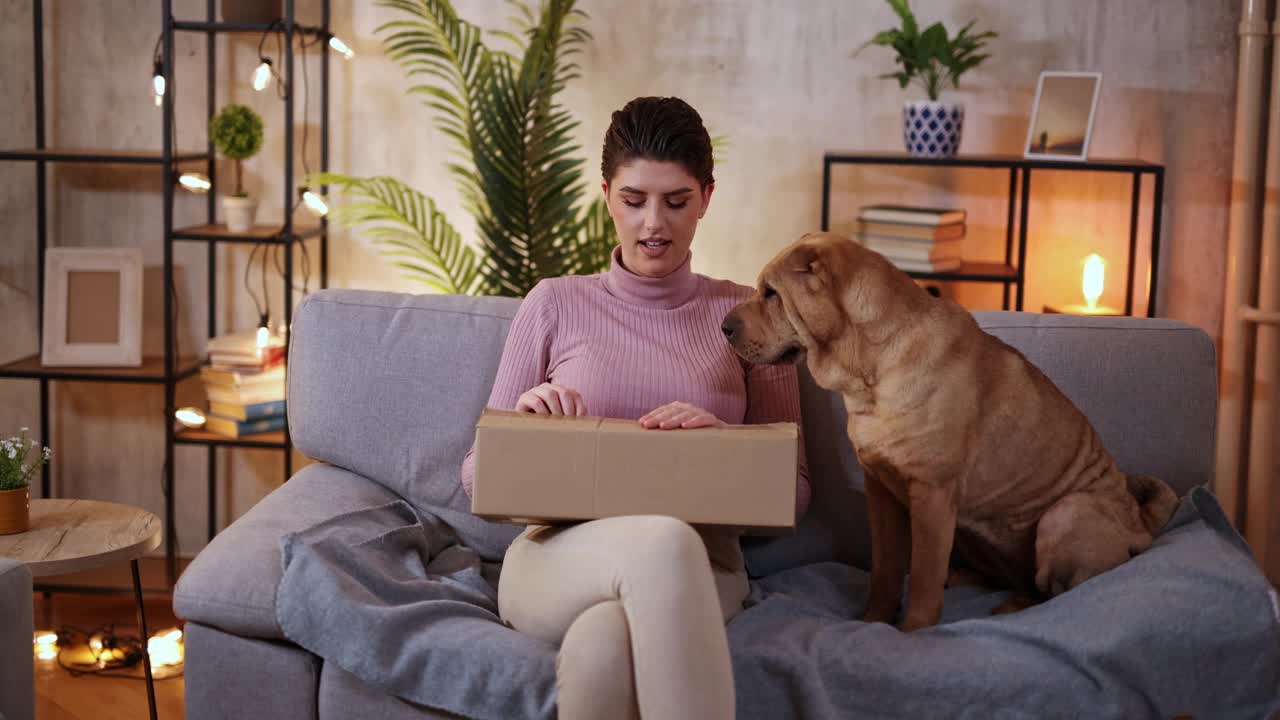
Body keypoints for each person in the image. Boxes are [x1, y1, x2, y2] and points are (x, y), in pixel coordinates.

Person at [460, 95, 809, 720]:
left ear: (706, 196)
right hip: (557, 560)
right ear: (605, 194)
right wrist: (529, 422)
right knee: (659, 541)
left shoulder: (750, 318)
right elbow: (474, 477)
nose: (654, 224)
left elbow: (798, 491)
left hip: (704, 566)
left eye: (676, 202)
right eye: (634, 200)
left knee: (601, 649)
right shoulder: (554, 304)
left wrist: (725, 444)